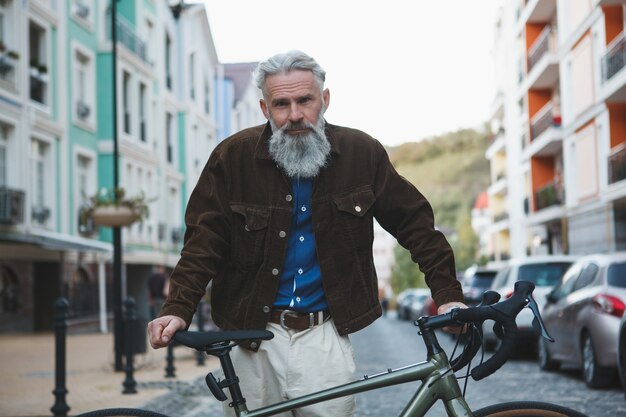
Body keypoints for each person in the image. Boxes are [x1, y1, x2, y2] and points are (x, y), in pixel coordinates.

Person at [148, 50, 466, 417]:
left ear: (324, 100)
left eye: (305, 100)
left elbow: (417, 227)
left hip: (325, 336)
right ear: (265, 109)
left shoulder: (362, 154)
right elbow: (203, 242)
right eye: (281, 104)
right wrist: (178, 308)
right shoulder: (231, 158)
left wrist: (447, 295)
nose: (295, 115)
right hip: (252, 336)